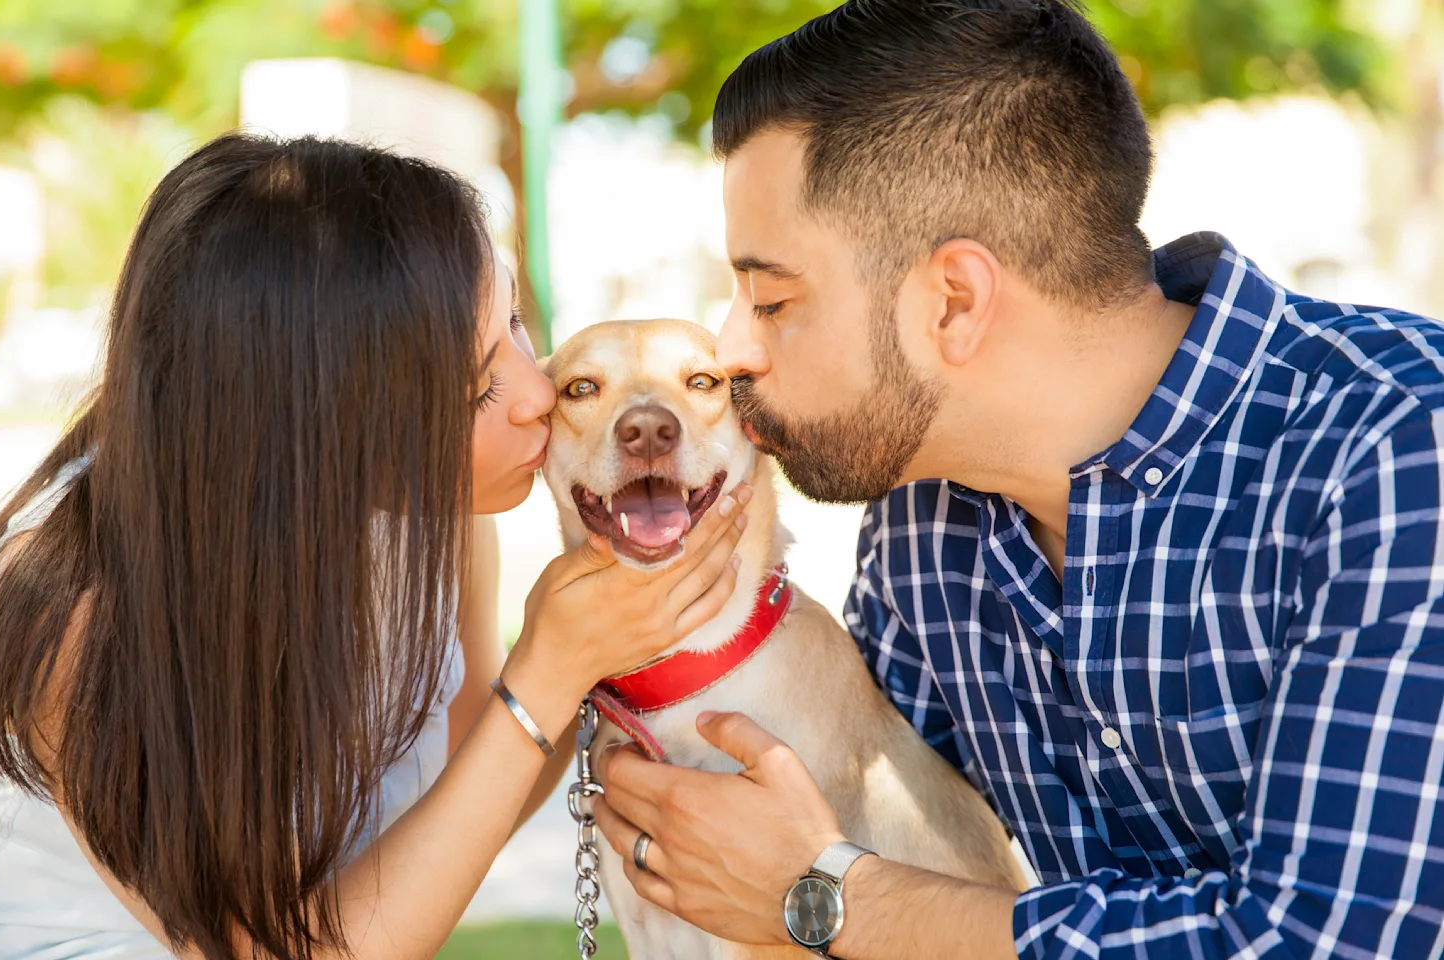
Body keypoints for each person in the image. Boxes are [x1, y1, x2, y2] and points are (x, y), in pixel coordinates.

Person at [591, 2, 1444, 958]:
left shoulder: (1399, 447)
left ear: (954, 300)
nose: (735, 346)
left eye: (773, 298)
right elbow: (900, 841)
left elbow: (1325, 943)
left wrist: (825, 898)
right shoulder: (925, 512)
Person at [0, 133, 752, 960]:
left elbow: (466, 781)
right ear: (319, 427)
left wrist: (621, 641)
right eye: (476, 386)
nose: (539, 394)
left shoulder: (437, 518)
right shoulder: (77, 613)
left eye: (517, 325)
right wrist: (552, 670)